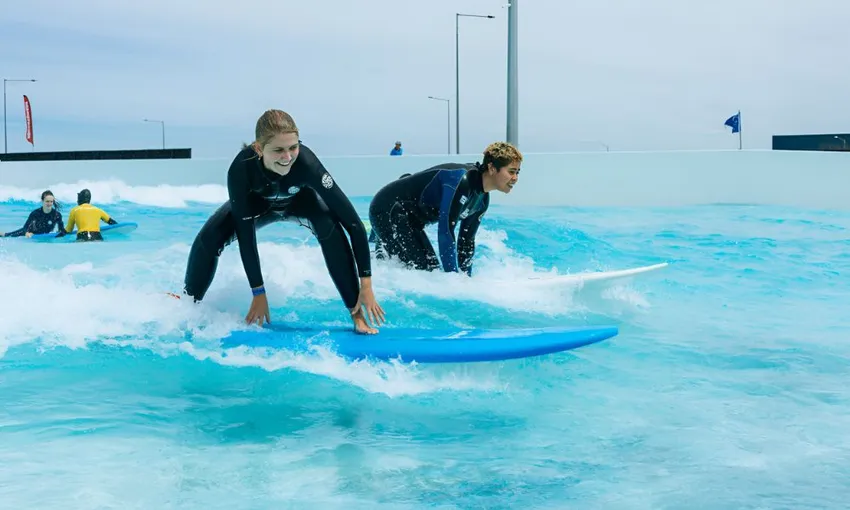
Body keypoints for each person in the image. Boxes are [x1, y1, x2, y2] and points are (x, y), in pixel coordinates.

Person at [182, 109, 385, 334]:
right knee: (209, 238)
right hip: (257, 205)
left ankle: (356, 315)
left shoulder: (307, 164)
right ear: (259, 148)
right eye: (278, 150)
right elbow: (245, 235)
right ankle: (188, 304)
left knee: (332, 229)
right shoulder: (241, 169)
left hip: (302, 203)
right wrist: (258, 292)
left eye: (293, 147)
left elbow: (354, 224)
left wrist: (366, 284)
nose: (287, 157)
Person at [368, 141, 522, 276]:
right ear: (492, 168)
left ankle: (379, 249)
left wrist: (465, 279)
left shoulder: (482, 200)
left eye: (517, 172)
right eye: (511, 172)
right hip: (387, 209)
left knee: (431, 270)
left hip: (411, 221)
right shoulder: (462, 181)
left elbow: (466, 241)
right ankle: (376, 251)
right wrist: (453, 280)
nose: (515, 178)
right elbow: (445, 231)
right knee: (422, 272)